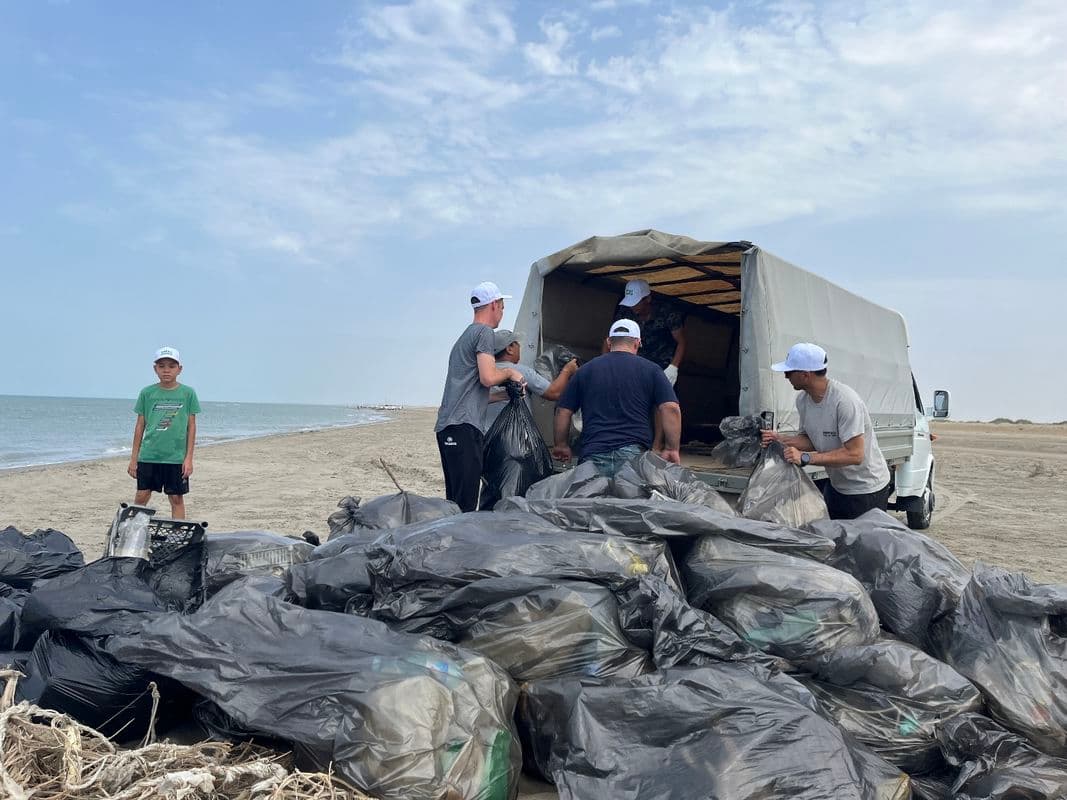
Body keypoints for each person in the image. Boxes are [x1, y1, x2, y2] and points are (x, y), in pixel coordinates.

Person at [760, 342, 892, 519]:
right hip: (837, 488)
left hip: (866, 490)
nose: (785, 376)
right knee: (835, 541)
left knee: (864, 545)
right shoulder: (803, 401)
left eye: (789, 372)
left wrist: (806, 458)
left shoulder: (844, 401)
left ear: (805, 375)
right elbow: (811, 440)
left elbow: (855, 455)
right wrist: (780, 439)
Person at [435, 281, 527, 512]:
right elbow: (488, 377)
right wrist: (510, 372)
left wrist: (505, 395)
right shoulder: (484, 333)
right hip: (463, 427)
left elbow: (474, 393)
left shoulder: (465, 336)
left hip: (450, 426)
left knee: (455, 501)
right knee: (465, 503)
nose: (502, 313)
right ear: (494, 305)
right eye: (503, 307)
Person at [553, 319, 681, 477]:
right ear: (638, 343)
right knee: (631, 502)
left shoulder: (585, 370)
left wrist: (561, 444)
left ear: (608, 342)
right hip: (633, 457)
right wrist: (671, 448)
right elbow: (671, 408)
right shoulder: (652, 370)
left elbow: (563, 411)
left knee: (589, 501)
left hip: (593, 454)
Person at [127, 346, 201, 520]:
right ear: (155, 369)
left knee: (176, 498)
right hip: (149, 455)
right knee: (142, 495)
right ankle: (133, 531)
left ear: (179, 369)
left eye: (171, 366)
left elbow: (191, 426)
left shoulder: (188, 393)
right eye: (161, 366)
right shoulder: (147, 393)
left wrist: (188, 458)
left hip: (175, 457)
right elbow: (140, 426)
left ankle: (178, 536)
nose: (166, 370)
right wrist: (133, 459)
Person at [483, 329, 578, 430]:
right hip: (513, 438)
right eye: (517, 344)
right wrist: (568, 370)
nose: (520, 347)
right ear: (509, 349)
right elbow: (554, 393)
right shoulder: (519, 371)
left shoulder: (483, 373)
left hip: (483, 436)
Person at [609, 279, 686, 385]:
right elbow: (611, 339)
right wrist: (607, 363)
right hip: (634, 365)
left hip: (661, 366)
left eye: (636, 302)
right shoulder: (625, 312)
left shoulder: (667, 312)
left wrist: (673, 367)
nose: (632, 306)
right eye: (630, 303)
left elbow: (681, 341)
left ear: (648, 299)